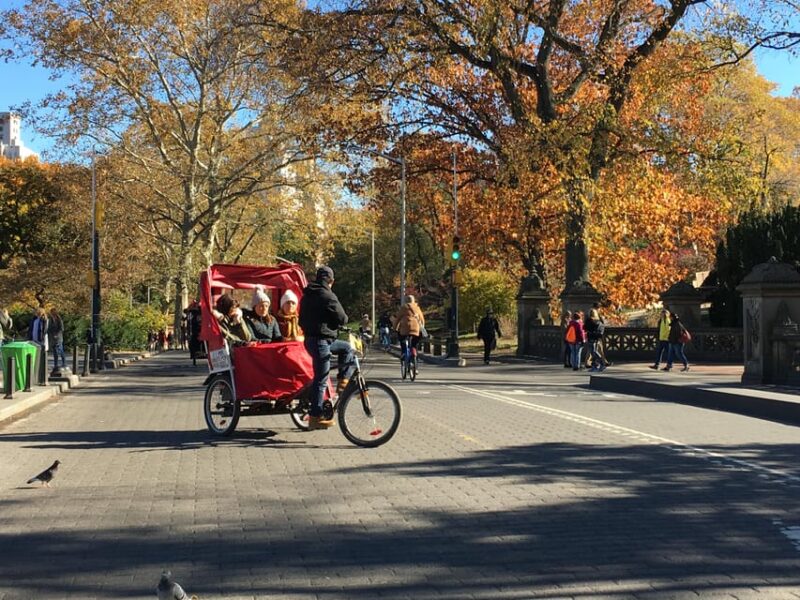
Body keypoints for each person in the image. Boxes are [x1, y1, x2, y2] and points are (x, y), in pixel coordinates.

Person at [299, 266, 354, 431]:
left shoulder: (307, 295)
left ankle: (343, 382)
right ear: (331, 281)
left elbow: (303, 320)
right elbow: (342, 318)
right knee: (321, 378)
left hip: (310, 340)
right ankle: (315, 417)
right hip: (321, 341)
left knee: (346, 349)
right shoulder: (327, 294)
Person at [394, 294, 425, 364]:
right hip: (416, 329)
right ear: (414, 301)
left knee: (402, 339)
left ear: (406, 301)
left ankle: (404, 353)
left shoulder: (403, 308)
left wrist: (395, 328)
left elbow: (397, 319)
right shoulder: (417, 308)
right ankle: (415, 359)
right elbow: (422, 320)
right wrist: (422, 328)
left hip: (405, 329)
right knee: (414, 344)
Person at [48, 308, 66, 372]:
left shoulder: (59, 320)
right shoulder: (51, 320)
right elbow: (49, 329)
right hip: (53, 338)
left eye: (52, 312)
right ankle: (56, 365)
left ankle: (64, 363)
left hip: (58, 338)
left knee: (61, 351)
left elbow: (61, 329)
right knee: (55, 352)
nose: (51, 314)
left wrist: (57, 335)